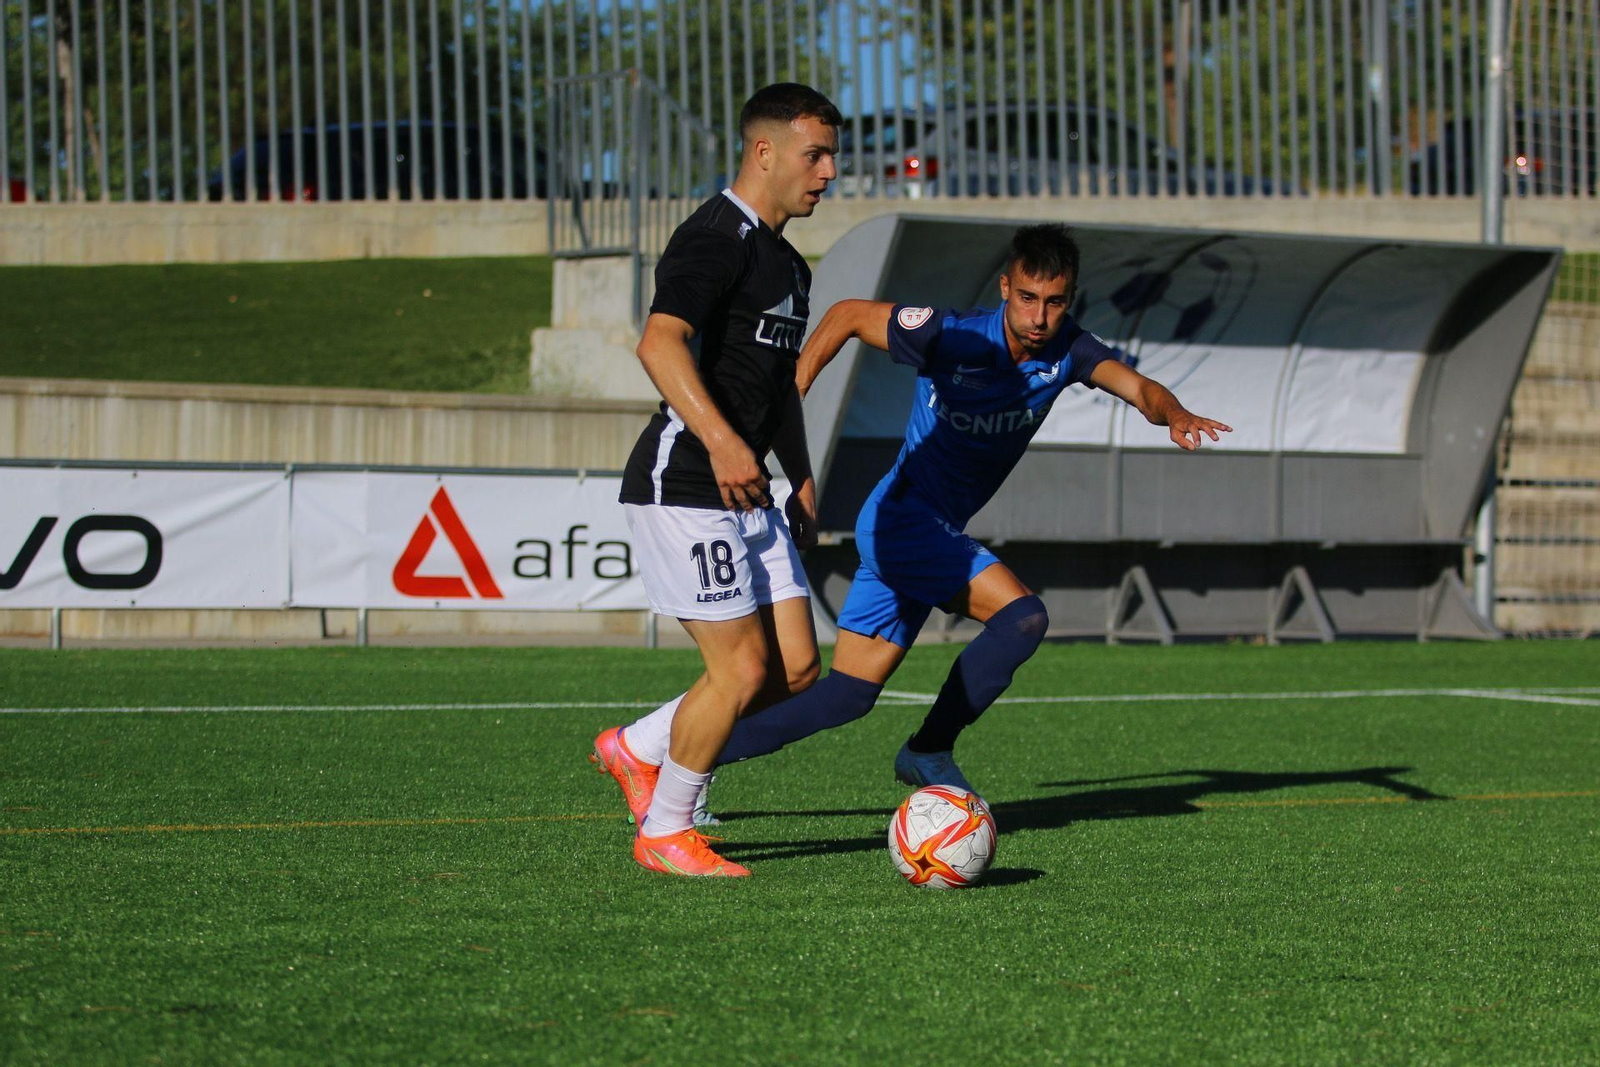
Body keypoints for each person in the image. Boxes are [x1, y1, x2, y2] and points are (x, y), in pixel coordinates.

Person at [615, 224, 1232, 822]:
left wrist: (1173, 413)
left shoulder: (1068, 349)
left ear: (1068, 300)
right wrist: (792, 390)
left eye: (1054, 302)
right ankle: (928, 749)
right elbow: (849, 315)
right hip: (904, 519)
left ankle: (678, 765)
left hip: (920, 529)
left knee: (844, 696)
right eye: (1027, 299)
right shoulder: (955, 337)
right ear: (1004, 288)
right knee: (1023, 618)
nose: (1039, 317)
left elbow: (1140, 388)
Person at [589, 83, 842, 878]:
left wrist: (797, 473)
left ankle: (637, 746)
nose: (829, 172)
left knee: (798, 669)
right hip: (688, 480)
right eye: (816, 154)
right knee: (740, 670)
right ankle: (666, 830)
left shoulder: (792, 267)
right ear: (763, 152)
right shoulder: (713, 236)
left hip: (750, 489)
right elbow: (659, 345)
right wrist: (730, 445)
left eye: (832, 155)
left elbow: (777, 387)